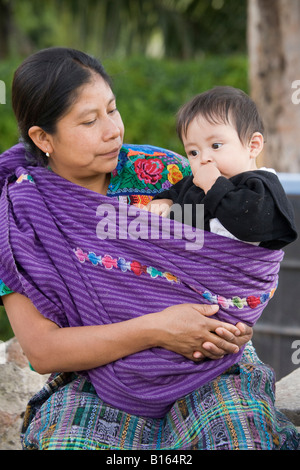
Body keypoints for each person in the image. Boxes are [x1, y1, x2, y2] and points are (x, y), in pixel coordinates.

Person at [0, 48, 299, 451]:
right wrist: (159, 328)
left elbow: (227, 268)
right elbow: (43, 351)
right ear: (42, 137)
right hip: (99, 376)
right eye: (89, 121)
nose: (113, 131)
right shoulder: (19, 216)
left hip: (209, 363)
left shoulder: (164, 172)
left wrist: (233, 324)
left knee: (240, 436)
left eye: (113, 110)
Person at [147, 86, 297, 249]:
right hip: (188, 268)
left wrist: (214, 186)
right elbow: (172, 195)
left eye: (216, 145)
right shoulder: (193, 184)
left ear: (253, 145)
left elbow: (251, 225)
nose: (204, 158)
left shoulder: (262, 187)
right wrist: (163, 203)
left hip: (237, 271)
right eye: (193, 152)